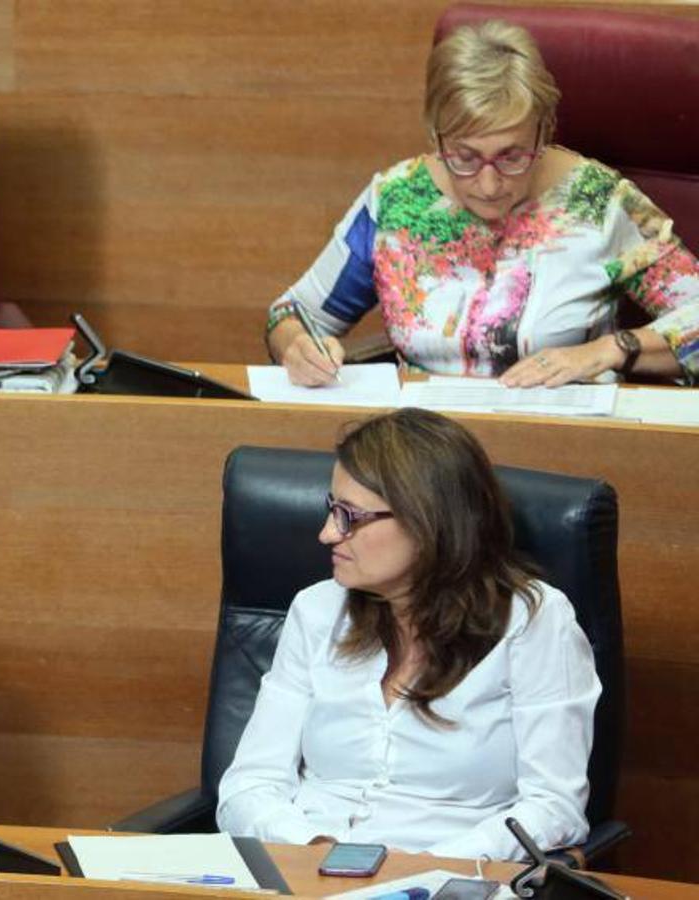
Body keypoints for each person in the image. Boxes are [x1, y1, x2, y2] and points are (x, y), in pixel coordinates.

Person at [215, 408, 600, 860]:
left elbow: (554, 807)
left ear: (428, 521)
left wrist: (425, 871)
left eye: (350, 517)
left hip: (450, 877)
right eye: (331, 510)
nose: (326, 534)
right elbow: (249, 784)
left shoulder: (534, 621)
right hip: (304, 868)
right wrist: (317, 850)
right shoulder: (316, 610)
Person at [266, 19, 699, 388]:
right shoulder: (397, 201)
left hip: (565, 449)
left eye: (512, 156)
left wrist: (612, 349)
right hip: (425, 457)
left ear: (544, 131)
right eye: (465, 157)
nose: (489, 185)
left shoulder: (596, 202)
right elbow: (293, 314)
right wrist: (298, 348)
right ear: (435, 135)